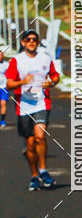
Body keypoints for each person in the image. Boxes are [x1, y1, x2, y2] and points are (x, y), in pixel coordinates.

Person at [5, 29, 60, 191]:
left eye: (34, 39)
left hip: (42, 103)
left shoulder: (45, 58)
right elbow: (8, 84)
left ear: (37, 41)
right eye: (28, 39)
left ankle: (43, 170)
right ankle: (34, 175)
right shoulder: (17, 60)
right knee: (29, 145)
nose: (31, 41)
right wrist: (23, 82)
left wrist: (51, 83)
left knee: (40, 136)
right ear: (23, 42)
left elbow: (55, 76)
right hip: (24, 106)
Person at [0, 47, 9, 128]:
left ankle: (2, 121)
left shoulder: (6, 65)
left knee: (3, 103)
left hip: (3, 88)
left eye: (1, 55)